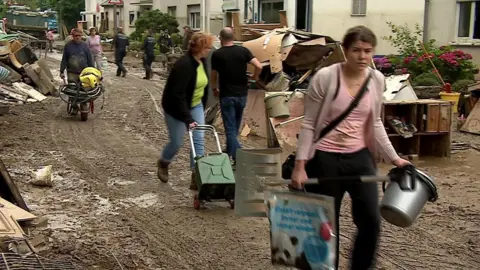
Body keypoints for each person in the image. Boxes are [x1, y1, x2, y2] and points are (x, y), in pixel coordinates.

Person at [290, 26, 411, 270]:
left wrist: (394, 158)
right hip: (325, 159)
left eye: (367, 51)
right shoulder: (325, 78)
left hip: (360, 157)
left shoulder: (376, 80)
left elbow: (375, 121)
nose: (362, 56)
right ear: (345, 51)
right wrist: (300, 167)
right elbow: (310, 124)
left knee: (371, 223)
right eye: (356, 50)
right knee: (324, 225)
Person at [157, 32, 214, 190]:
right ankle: (164, 162)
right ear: (200, 48)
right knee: (176, 142)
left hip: (195, 105)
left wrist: (201, 107)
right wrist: (188, 119)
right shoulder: (184, 65)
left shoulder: (202, 62)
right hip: (175, 108)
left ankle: (197, 176)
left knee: (199, 140)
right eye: (208, 47)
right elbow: (178, 95)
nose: (210, 50)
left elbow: (203, 86)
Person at [210, 27, 262, 163]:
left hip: (227, 95)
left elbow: (214, 75)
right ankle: (229, 150)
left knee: (230, 129)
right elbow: (259, 66)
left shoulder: (217, 55)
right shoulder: (243, 51)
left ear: (221, 39)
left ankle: (239, 156)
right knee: (235, 128)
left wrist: (214, 88)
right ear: (232, 37)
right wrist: (255, 77)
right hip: (242, 95)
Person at [60, 28, 94, 115]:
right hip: (72, 72)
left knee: (84, 90)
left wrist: (93, 71)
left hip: (84, 73)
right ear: (72, 36)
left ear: (81, 36)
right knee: (72, 90)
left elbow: (90, 59)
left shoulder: (85, 46)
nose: (77, 37)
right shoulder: (68, 46)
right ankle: (74, 106)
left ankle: (83, 103)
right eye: (76, 36)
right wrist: (61, 71)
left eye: (79, 36)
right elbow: (64, 59)